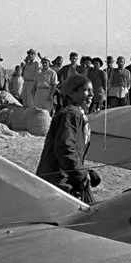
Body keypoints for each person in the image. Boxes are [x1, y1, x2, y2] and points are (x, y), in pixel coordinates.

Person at [35, 74, 101, 204]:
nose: (91, 95)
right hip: (58, 182)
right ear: (71, 93)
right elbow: (65, 148)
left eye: (92, 91)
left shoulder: (77, 115)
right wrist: (80, 174)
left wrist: (84, 171)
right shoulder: (70, 114)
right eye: (86, 90)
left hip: (66, 179)